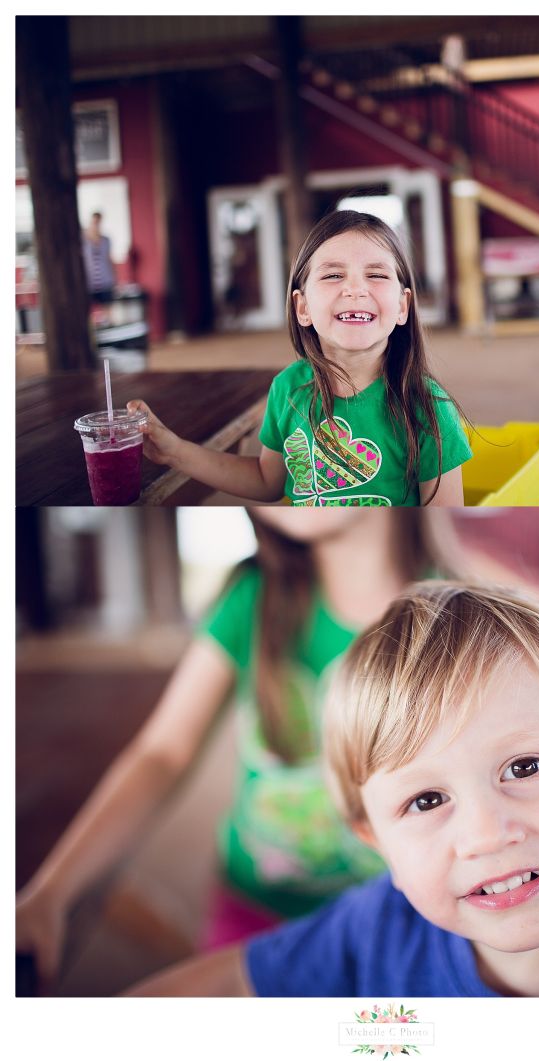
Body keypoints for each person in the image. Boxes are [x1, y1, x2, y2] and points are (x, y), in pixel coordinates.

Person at [125, 580, 539, 997]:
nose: (485, 834)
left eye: (525, 767)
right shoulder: (376, 930)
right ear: (377, 843)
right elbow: (224, 989)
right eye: (425, 801)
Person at [15, 510, 461, 987]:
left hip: (406, 920)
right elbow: (163, 753)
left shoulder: (463, 612)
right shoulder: (253, 598)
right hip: (256, 912)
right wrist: (49, 894)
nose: (292, 453)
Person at [126, 211, 472, 506]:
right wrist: (175, 452)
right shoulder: (288, 387)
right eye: (334, 275)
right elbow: (266, 480)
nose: (355, 288)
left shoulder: (428, 406)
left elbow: (445, 521)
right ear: (302, 307)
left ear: (402, 307)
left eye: (377, 275)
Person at [82, 211, 116, 304]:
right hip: (89, 283)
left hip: (105, 281)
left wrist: (115, 279)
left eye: (99, 222)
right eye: (94, 222)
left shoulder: (106, 240)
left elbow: (109, 259)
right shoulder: (83, 240)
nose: (96, 224)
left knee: (107, 308)